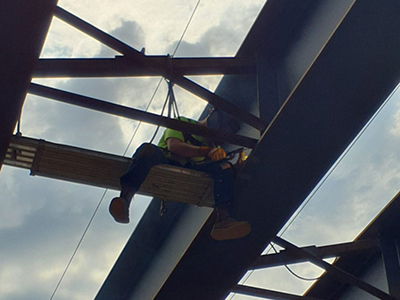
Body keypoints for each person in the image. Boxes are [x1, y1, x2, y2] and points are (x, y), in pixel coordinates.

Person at [109, 116, 251, 241]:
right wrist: (206, 151)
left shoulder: (212, 144)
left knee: (224, 167)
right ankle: (125, 200)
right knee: (148, 150)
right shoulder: (183, 124)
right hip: (166, 159)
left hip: (191, 167)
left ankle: (223, 219)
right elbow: (174, 146)